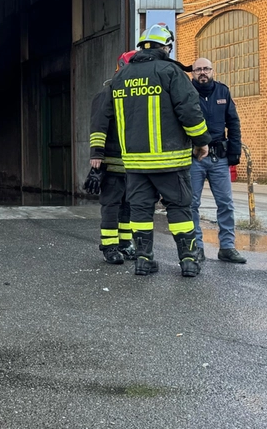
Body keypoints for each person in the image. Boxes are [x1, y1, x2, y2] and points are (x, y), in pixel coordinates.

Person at [100, 24, 212, 277]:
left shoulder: (121, 76)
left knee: (140, 211)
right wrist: (201, 141)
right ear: (166, 47)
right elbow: (189, 110)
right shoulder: (170, 71)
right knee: (180, 208)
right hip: (169, 161)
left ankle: (143, 260)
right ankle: (188, 261)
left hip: (135, 163)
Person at [189, 58, 246, 264]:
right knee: (191, 204)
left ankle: (227, 247)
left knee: (226, 204)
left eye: (206, 69)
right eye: (198, 70)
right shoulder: (186, 93)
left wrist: (234, 152)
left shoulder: (223, 91)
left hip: (219, 157)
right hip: (194, 158)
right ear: (192, 73)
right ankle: (196, 247)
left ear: (212, 71)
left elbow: (233, 122)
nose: (202, 72)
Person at [89, 51, 137, 264]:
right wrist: (97, 154)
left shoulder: (134, 94)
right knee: (112, 205)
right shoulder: (107, 93)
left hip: (132, 164)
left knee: (127, 205)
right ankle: (109, 246)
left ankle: (125, 243)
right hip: (112, 161)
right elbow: (98, 125)